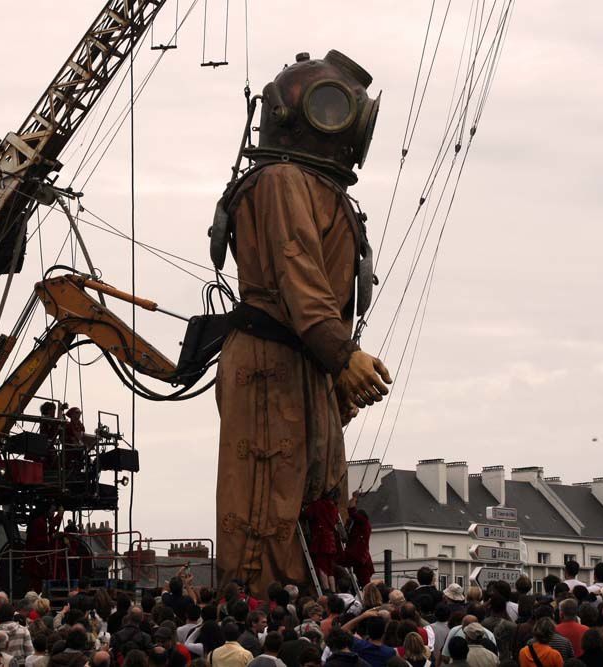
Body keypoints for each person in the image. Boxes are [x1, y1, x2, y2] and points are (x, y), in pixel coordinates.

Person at [211, 50, 390, 595]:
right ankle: (260, 608)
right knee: (271, 501)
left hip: (303, 358)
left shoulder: (322, 190)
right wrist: (342, 357)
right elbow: (298, 276)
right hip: (273, 363)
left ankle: (309, 603)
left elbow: (316, 298)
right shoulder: (281, 181)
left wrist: (335, 367)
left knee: (316, 496)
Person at [339, 491, 375, 587]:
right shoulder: (362, 527)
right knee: (365, 584)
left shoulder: (363, 523)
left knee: (366, 585)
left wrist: (354, 498)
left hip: (357, 557)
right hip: (360, 559)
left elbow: (351, 510)